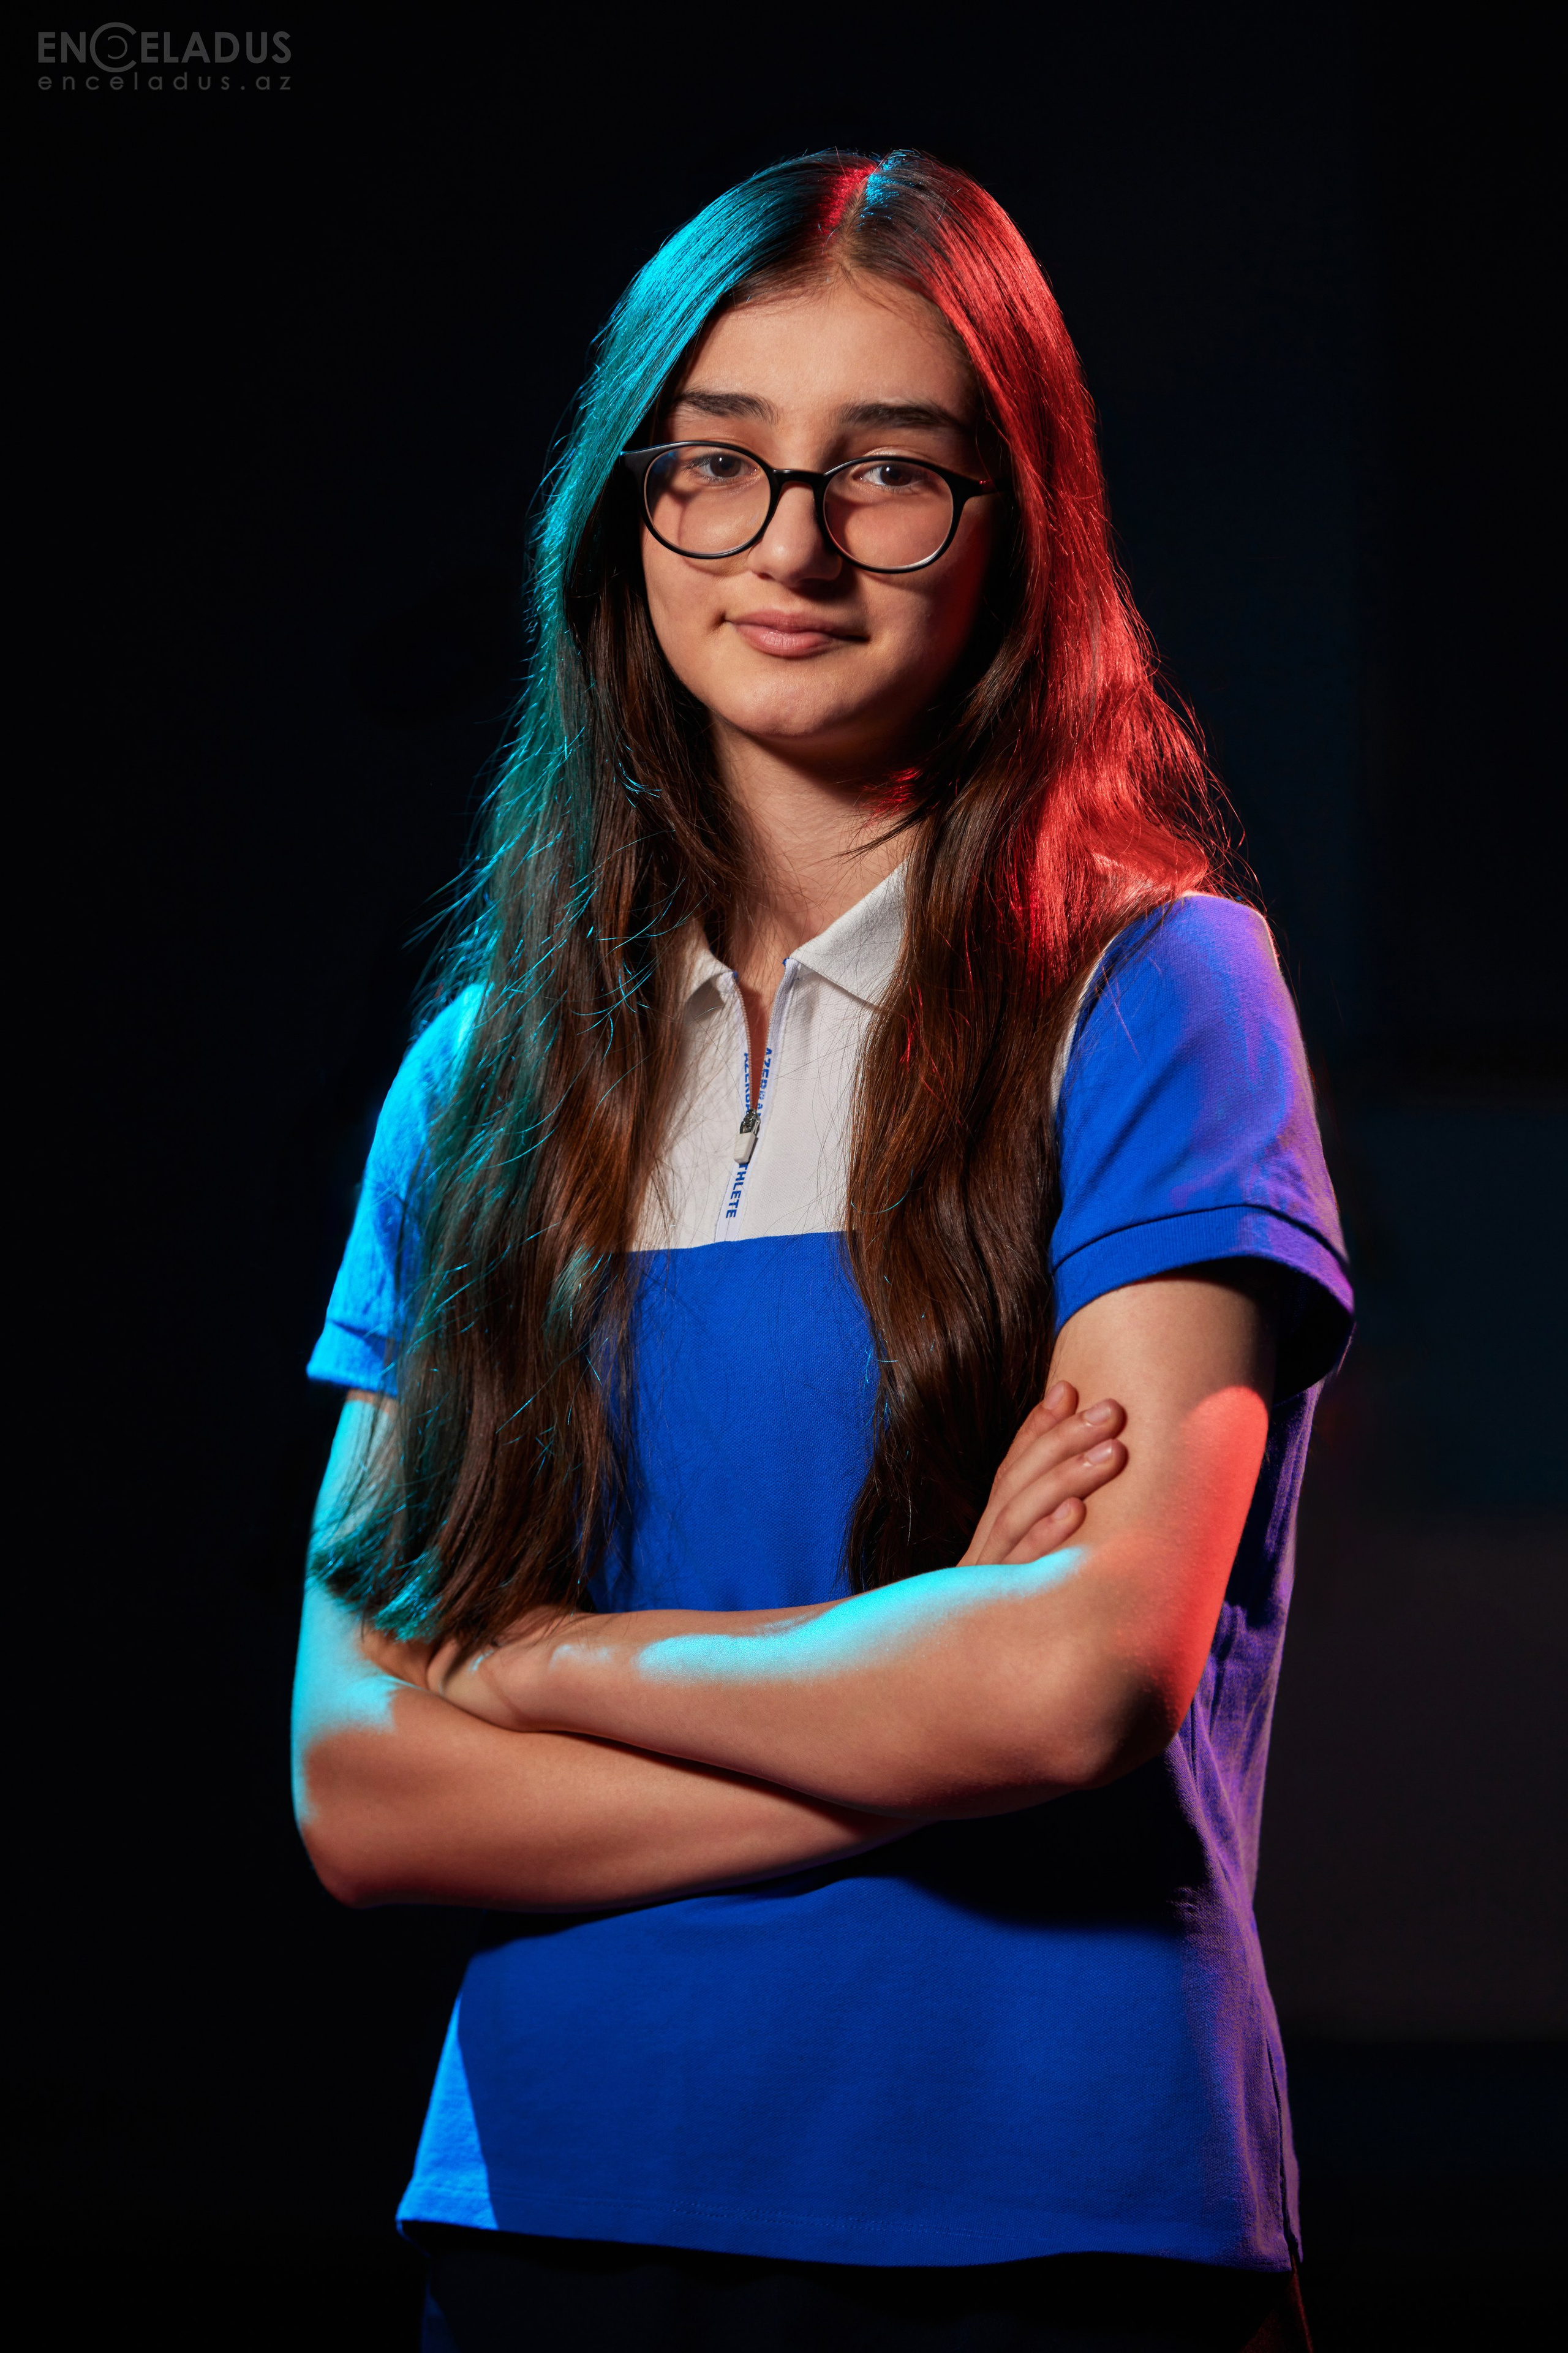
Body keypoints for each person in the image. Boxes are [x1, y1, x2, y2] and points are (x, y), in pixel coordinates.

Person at [293, 151, 1350, 2352]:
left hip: (1064, 2227)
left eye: (890, 472)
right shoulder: (479, 1080)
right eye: (723, 462)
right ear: (629, 508)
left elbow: (1072, 1687)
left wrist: (538, 1657)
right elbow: (364, 1788)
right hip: (548, 2222)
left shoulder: (1155, 994)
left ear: (1013, 530)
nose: (792, 542)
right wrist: (906, 1684)